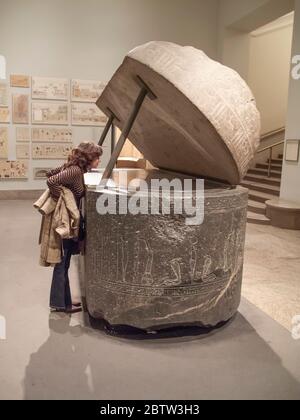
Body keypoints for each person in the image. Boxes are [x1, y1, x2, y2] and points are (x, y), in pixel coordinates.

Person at [46, 141, 103, 313]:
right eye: (97, 157)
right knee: (62, 262)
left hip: (69, 221)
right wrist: (62, 198)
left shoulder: (75, 169)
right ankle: (60, 304)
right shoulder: (75, 171)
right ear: (89, 157)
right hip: (65, 222)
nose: (99, 161)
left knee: (65, 261)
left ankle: (64, 301)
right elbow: (51, 179)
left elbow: (51, 172)